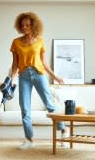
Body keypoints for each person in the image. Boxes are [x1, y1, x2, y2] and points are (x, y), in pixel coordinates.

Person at [9, 12, 69, 150]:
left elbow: (44, 63)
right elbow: (15, 64)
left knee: (50, 104)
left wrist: (55, 77)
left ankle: (63, 130)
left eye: (28, 25)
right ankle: (29, 139)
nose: (25, 27)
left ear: (33, 25)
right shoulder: (16, 42)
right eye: (22, 25)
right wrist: (12, 79)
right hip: (23, 76)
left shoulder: (40, 41)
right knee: (25, 108)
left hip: (38, 74)